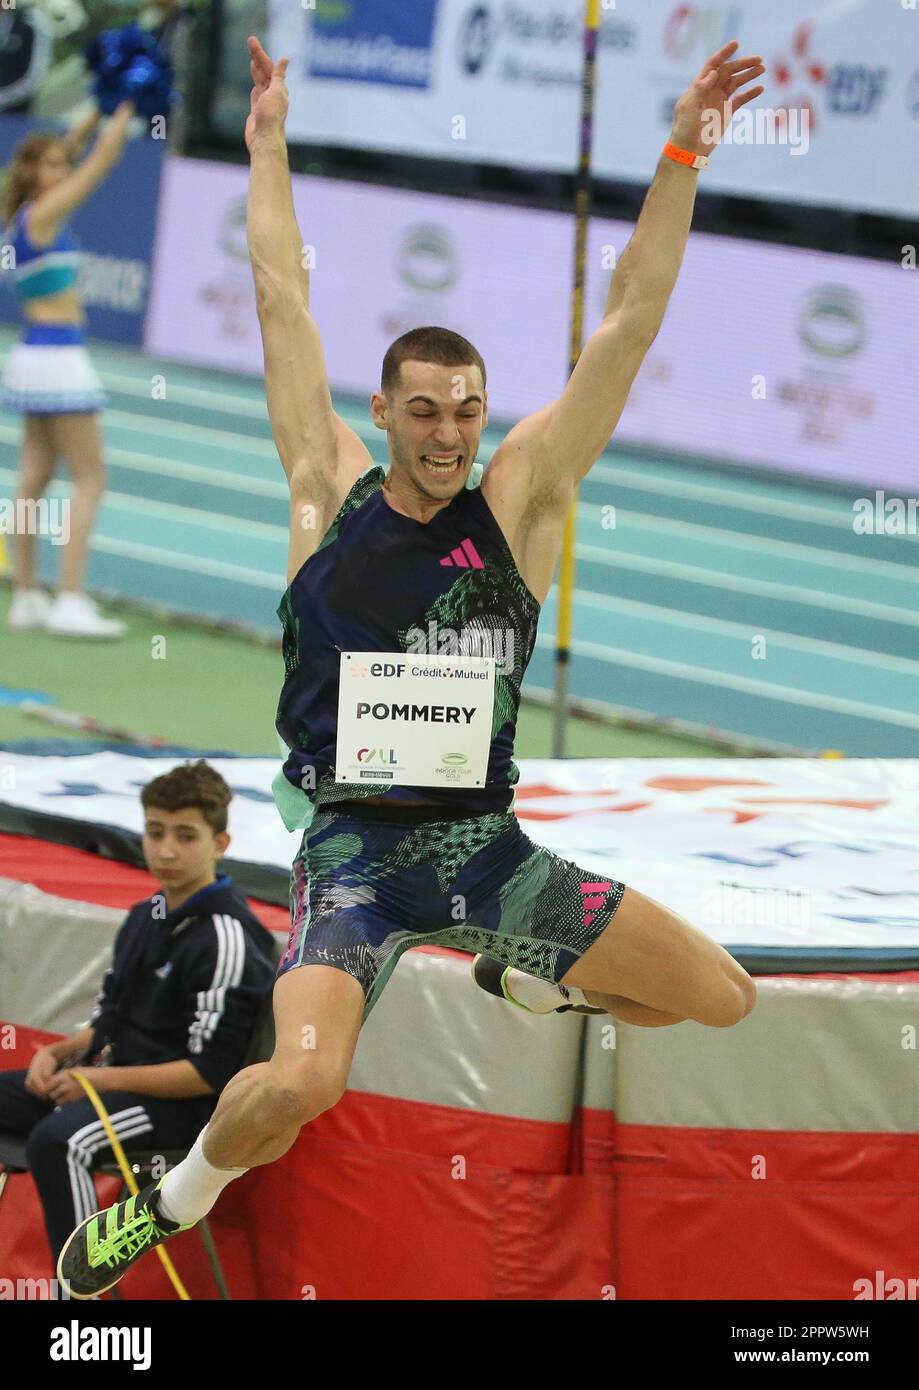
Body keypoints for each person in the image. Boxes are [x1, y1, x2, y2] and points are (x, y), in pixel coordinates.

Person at [58, 34, 765, 1299]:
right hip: (356, 856)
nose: (449, 433)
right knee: (305, 1080)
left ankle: (519, 981)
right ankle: (159, 1206)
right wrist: (264, 139)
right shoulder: (325, 486)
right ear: (383, 412)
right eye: (425, 410)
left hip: (487, 853)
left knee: (719, 1000)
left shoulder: (524, 502)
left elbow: (633, 317)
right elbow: (283, 292)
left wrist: (681, 150)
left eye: (467, 409)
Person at [0, 760, 276, 1289]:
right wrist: (60, 1053)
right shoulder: (144, 917)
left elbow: (208, 1075)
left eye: (186, 836)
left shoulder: (227, 937)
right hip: (115, 1082)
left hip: (180, 1110)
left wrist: (94, 1081)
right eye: (154, 833)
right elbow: (113, 1023)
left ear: (221, 843)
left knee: (61, 1141)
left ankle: (83, 1302)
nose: (166, 850)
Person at [1, 99, 135, 637]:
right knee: (90, 479)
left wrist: (97, 108)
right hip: (58, 356)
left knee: (34, 476)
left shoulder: (21, 215)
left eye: (63, 162)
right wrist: (127, 111)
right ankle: (71, 600)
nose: (64, 170)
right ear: (33, 172)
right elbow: (98, 163)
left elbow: (75, 150)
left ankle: (27, 594)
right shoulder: (45, 212)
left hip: (35, 352)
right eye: (52, 165)